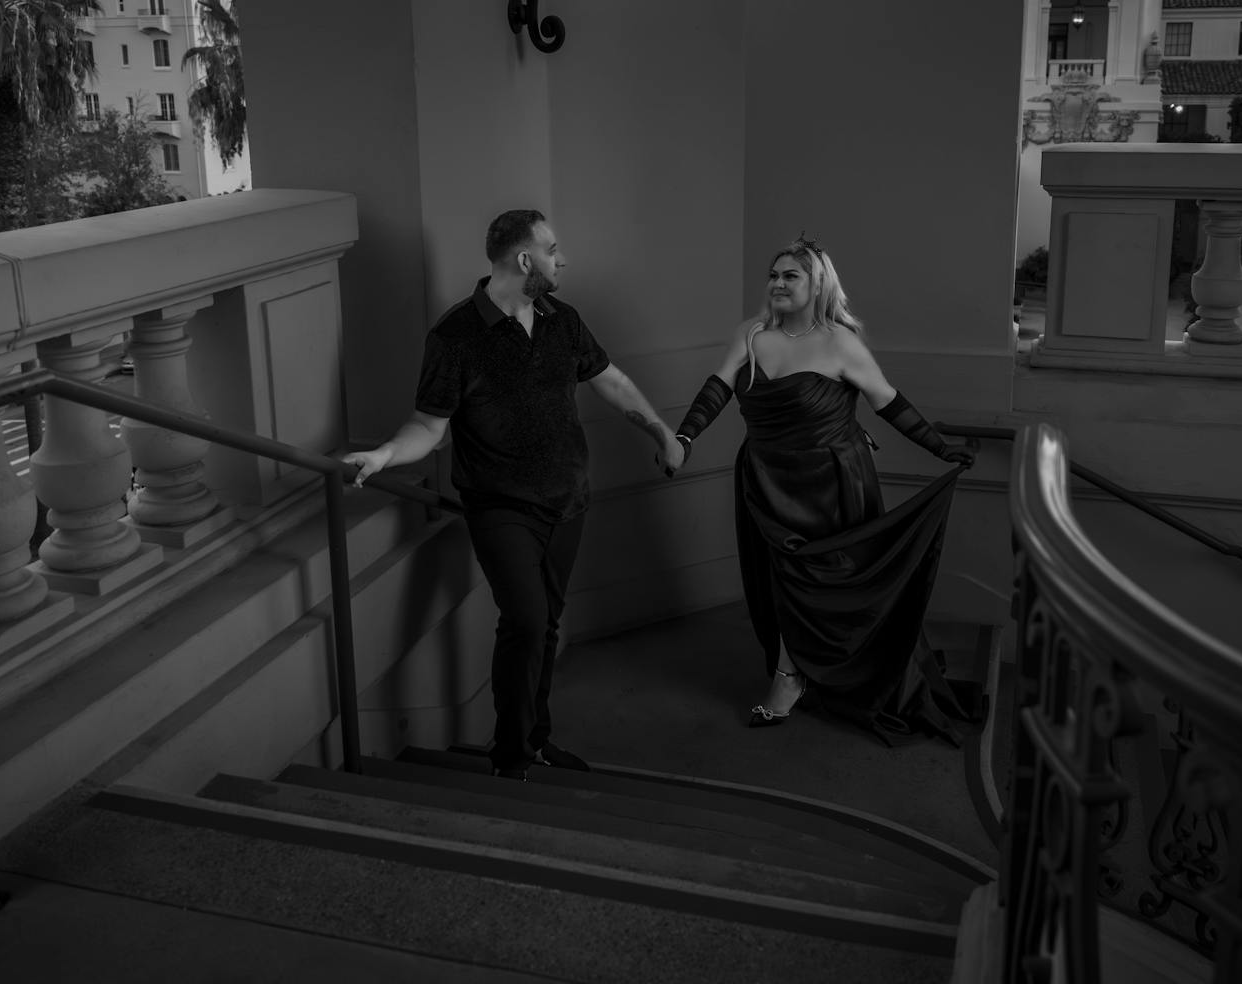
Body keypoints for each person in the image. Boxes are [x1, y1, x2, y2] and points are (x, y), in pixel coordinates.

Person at [341, 210, 684, 779]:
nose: (563, 258)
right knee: (525, 619)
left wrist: (660, 431)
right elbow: (429, 426)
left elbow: (610, 379)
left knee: (545, 621)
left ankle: (536, 738)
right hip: (500, 506)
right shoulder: (454, 338)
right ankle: (510, 757)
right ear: (525, 260)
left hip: (568, 500)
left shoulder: (561, 319)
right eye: (553, 249)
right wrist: (382, 455)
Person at [669, 235, 974, 743]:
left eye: (791, 276)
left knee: (824, 585)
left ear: (817, 286)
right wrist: (683, 437)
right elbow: (717, 388)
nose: (778, 283)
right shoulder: (751, 335)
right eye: (773, 275)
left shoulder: (840, 343)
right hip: (767, 479)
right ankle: (792, 676)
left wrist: (941, 449)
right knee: (781, 581)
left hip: (832, 483)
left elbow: (889, 402)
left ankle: (799, 678)